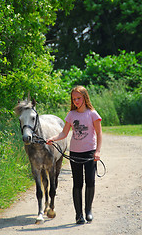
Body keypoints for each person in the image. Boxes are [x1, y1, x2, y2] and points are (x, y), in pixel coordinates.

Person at [46, 85, 102, 224]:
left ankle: (88, 211)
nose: (76, 101)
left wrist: (98, 151)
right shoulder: (71, 115)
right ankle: (79, 215)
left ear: (85, 97)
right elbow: (64, 133)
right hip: (75, 153)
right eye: (74, 99)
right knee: (77, 183)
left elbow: (99, 133)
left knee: (90, 181)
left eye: (78, 98)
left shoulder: (93, 114)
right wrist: (53, 138)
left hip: (89, 152)